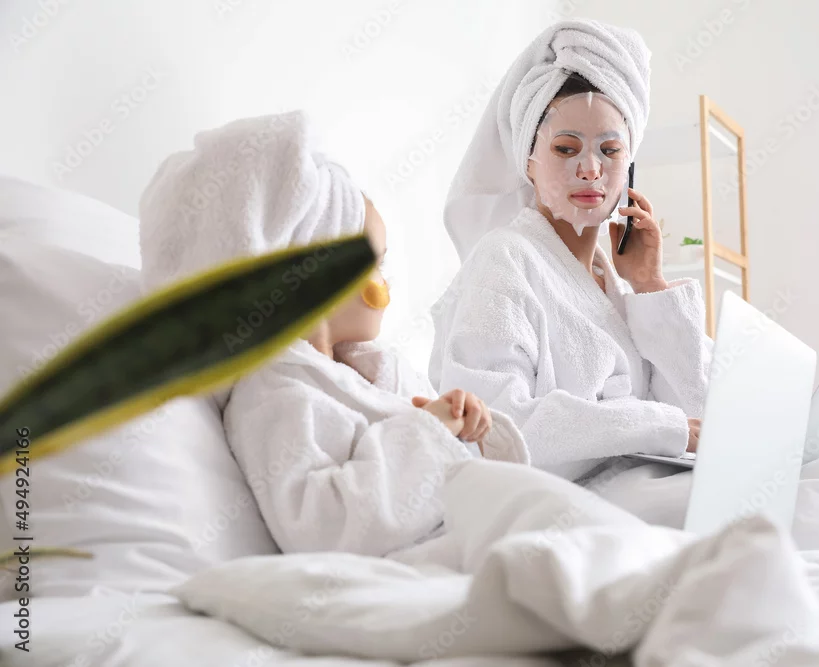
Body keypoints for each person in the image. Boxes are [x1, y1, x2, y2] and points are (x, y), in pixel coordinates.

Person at [139, 110, 528, 557]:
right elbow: (321, 526)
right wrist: (429, 434)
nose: (387, 279)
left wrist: (465, 427)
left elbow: (446, 463)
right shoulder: (278, 396)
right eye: (376, 264)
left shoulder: (374, 371)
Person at [429, 19, 710, 524]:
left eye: (610, 150)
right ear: (528, 160)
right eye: (565, 148)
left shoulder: (616, 284)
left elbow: (696, 416)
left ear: (629, 165)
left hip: (640, 492)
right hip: (561, 510)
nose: (590, 169)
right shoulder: (505, 260)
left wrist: (650, 285)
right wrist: (658, 427)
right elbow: (497, 427)